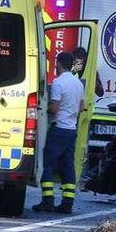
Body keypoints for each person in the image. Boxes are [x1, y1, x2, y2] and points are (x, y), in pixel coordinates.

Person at [33, 52, 85, 214]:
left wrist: (42, 109)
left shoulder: (58, 83)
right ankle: (67, 203)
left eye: (56, 64)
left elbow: (54, 108)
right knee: (67, 166)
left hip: (58, 129)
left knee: (48, 164)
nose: (55, 67)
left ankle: (47, 201)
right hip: (71, 130)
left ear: (59, 64)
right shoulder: (78, 84)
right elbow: (82, 107)